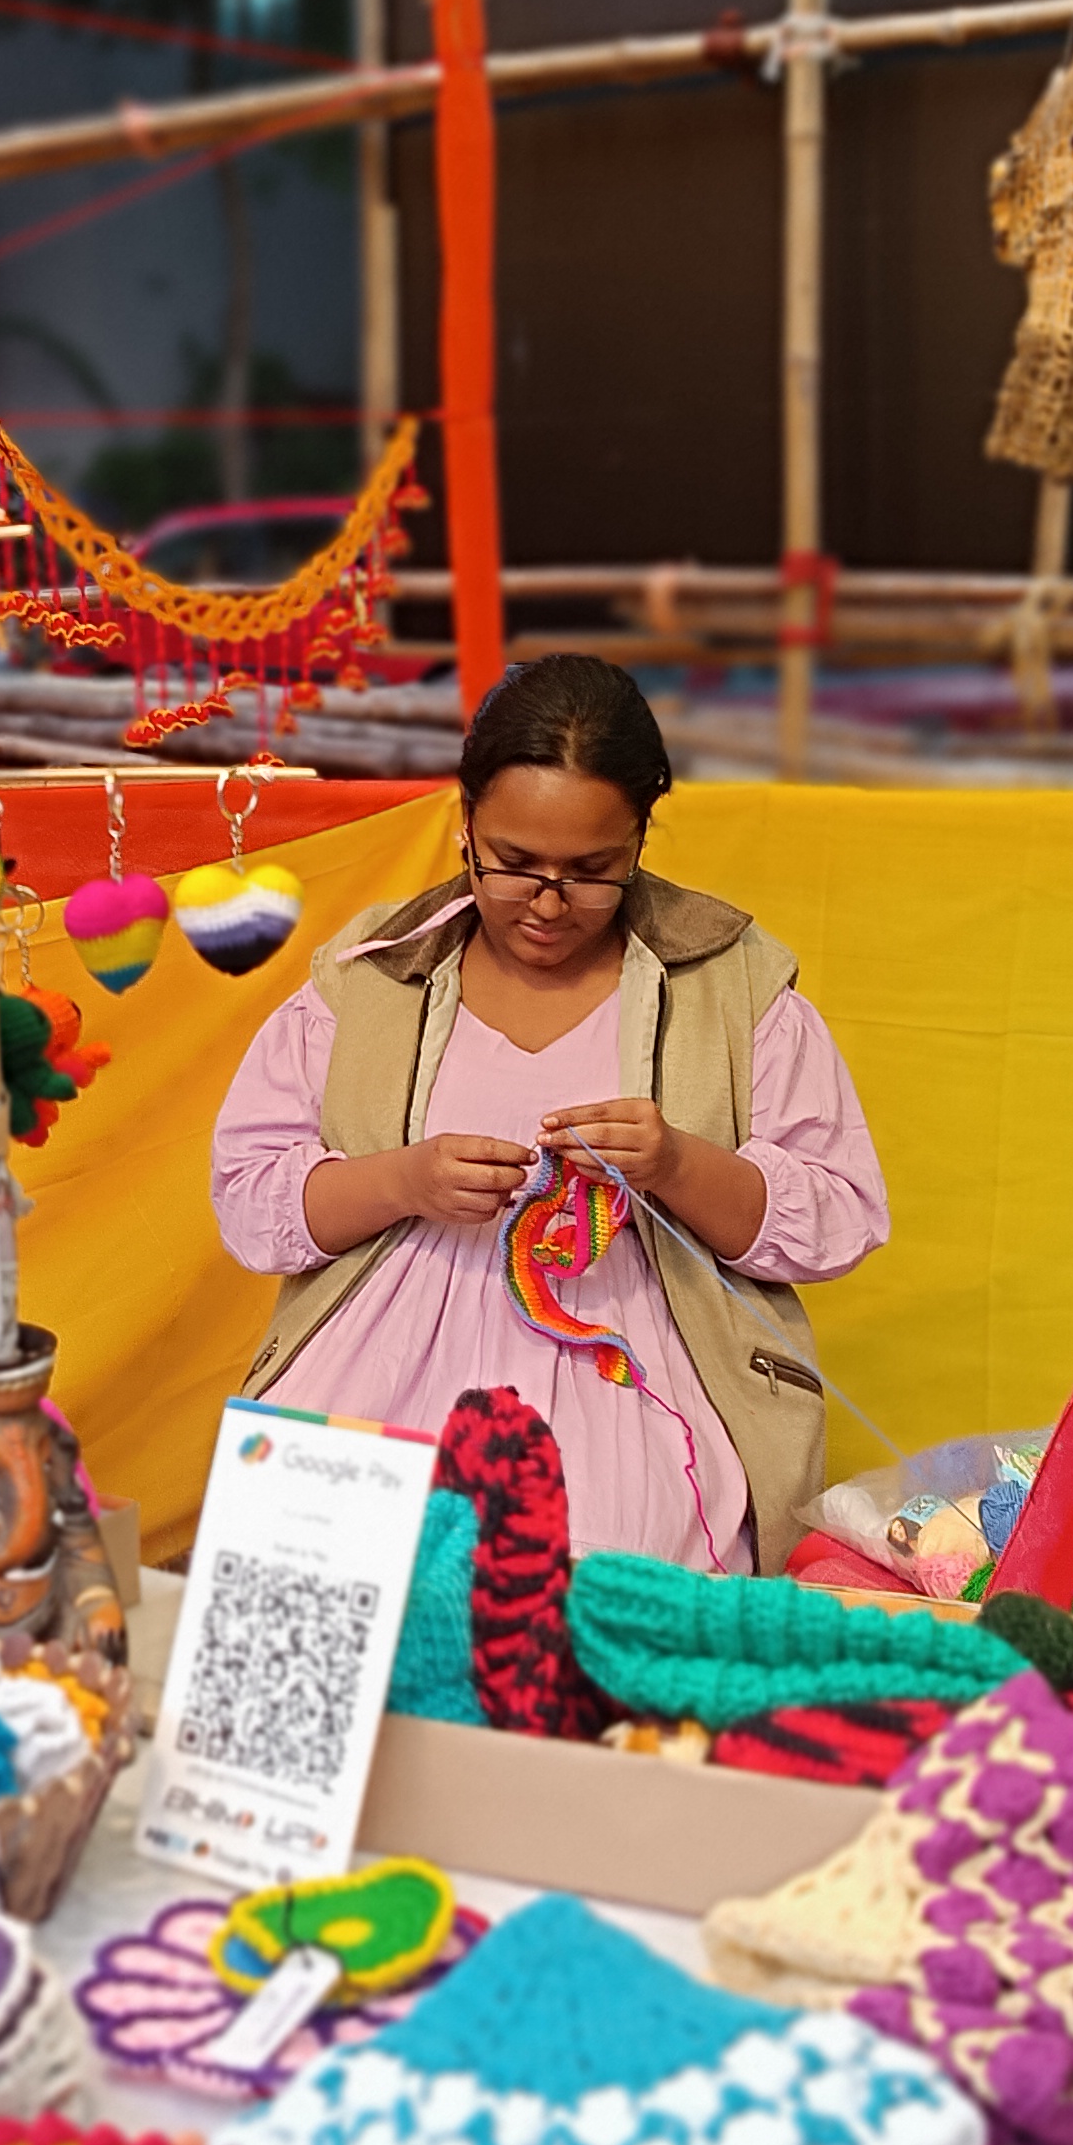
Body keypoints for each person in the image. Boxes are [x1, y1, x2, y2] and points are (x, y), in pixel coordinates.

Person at [211, 654, 887, 1572]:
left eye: (591, 870)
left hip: (640, 1381)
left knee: (600, 1607)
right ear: (465, 827)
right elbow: (251, 1206)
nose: (548, 903)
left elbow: (840, 1220)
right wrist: (403, 1178)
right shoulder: (370, 977)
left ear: (641, 840)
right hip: (377, 1369)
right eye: (515, 864)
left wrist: (678, 1164)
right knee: (302, 1586)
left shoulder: (732, 982)